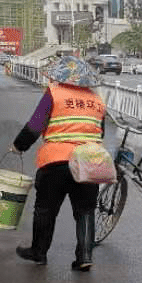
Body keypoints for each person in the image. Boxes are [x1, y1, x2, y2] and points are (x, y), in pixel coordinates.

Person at [8, 56, 107, 271]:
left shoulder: (54, 93)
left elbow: (35, 126)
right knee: (85, 211)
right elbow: (101, 132)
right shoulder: (97, 101)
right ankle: (85, 256)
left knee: (46, 209)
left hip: (56, 161)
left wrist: (18, 146)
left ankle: (39, 252)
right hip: (88, 162)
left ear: (60, 75)